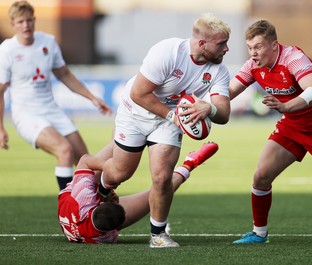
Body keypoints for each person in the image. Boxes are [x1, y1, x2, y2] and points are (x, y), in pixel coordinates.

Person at [98, 13, 231, 248]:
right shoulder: (168, 52)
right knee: (120, 173)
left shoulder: (219, 70)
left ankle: (158, 235)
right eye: (221, 43)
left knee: (161, 177)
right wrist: (173, 115)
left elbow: (223, 113)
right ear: (202, 43)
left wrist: (208, 108)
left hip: (169, 123)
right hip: (135, 112)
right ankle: (102, 186)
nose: (227, 48)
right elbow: (139, 94)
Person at [229, 20, 312, 244]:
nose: (253, 53)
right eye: (250, 48)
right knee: (261, 176)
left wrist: (286, 107)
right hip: (292, 127)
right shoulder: (253, 65)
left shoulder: (293, 58)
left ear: (274, 45)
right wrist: (207, 107)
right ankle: (259, 233)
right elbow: (230, 91)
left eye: (258, 47)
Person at [0, 1, 112, 190]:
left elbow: (65, 75)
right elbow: (1, 91)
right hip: (27, 115)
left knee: (87, 163)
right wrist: (1, 128)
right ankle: (67, 206)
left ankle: (98, 201)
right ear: (13, 24)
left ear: (34, 20)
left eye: (29, 20)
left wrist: (92, 98)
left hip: (52, 110)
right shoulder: (7, 51)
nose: (25, 25)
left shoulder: (48, 42)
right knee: (64, 150)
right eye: (20, 22)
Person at [58, 142, 219, 244]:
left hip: (74, 198)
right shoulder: (106, 236)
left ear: (100, 203)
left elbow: (85, 160)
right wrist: (110, 194)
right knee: (156, 195)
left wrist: (111, 168)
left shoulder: (82, 198)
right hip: (91, 212)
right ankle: (190, 163)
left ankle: (127, 134)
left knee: (117, 145)